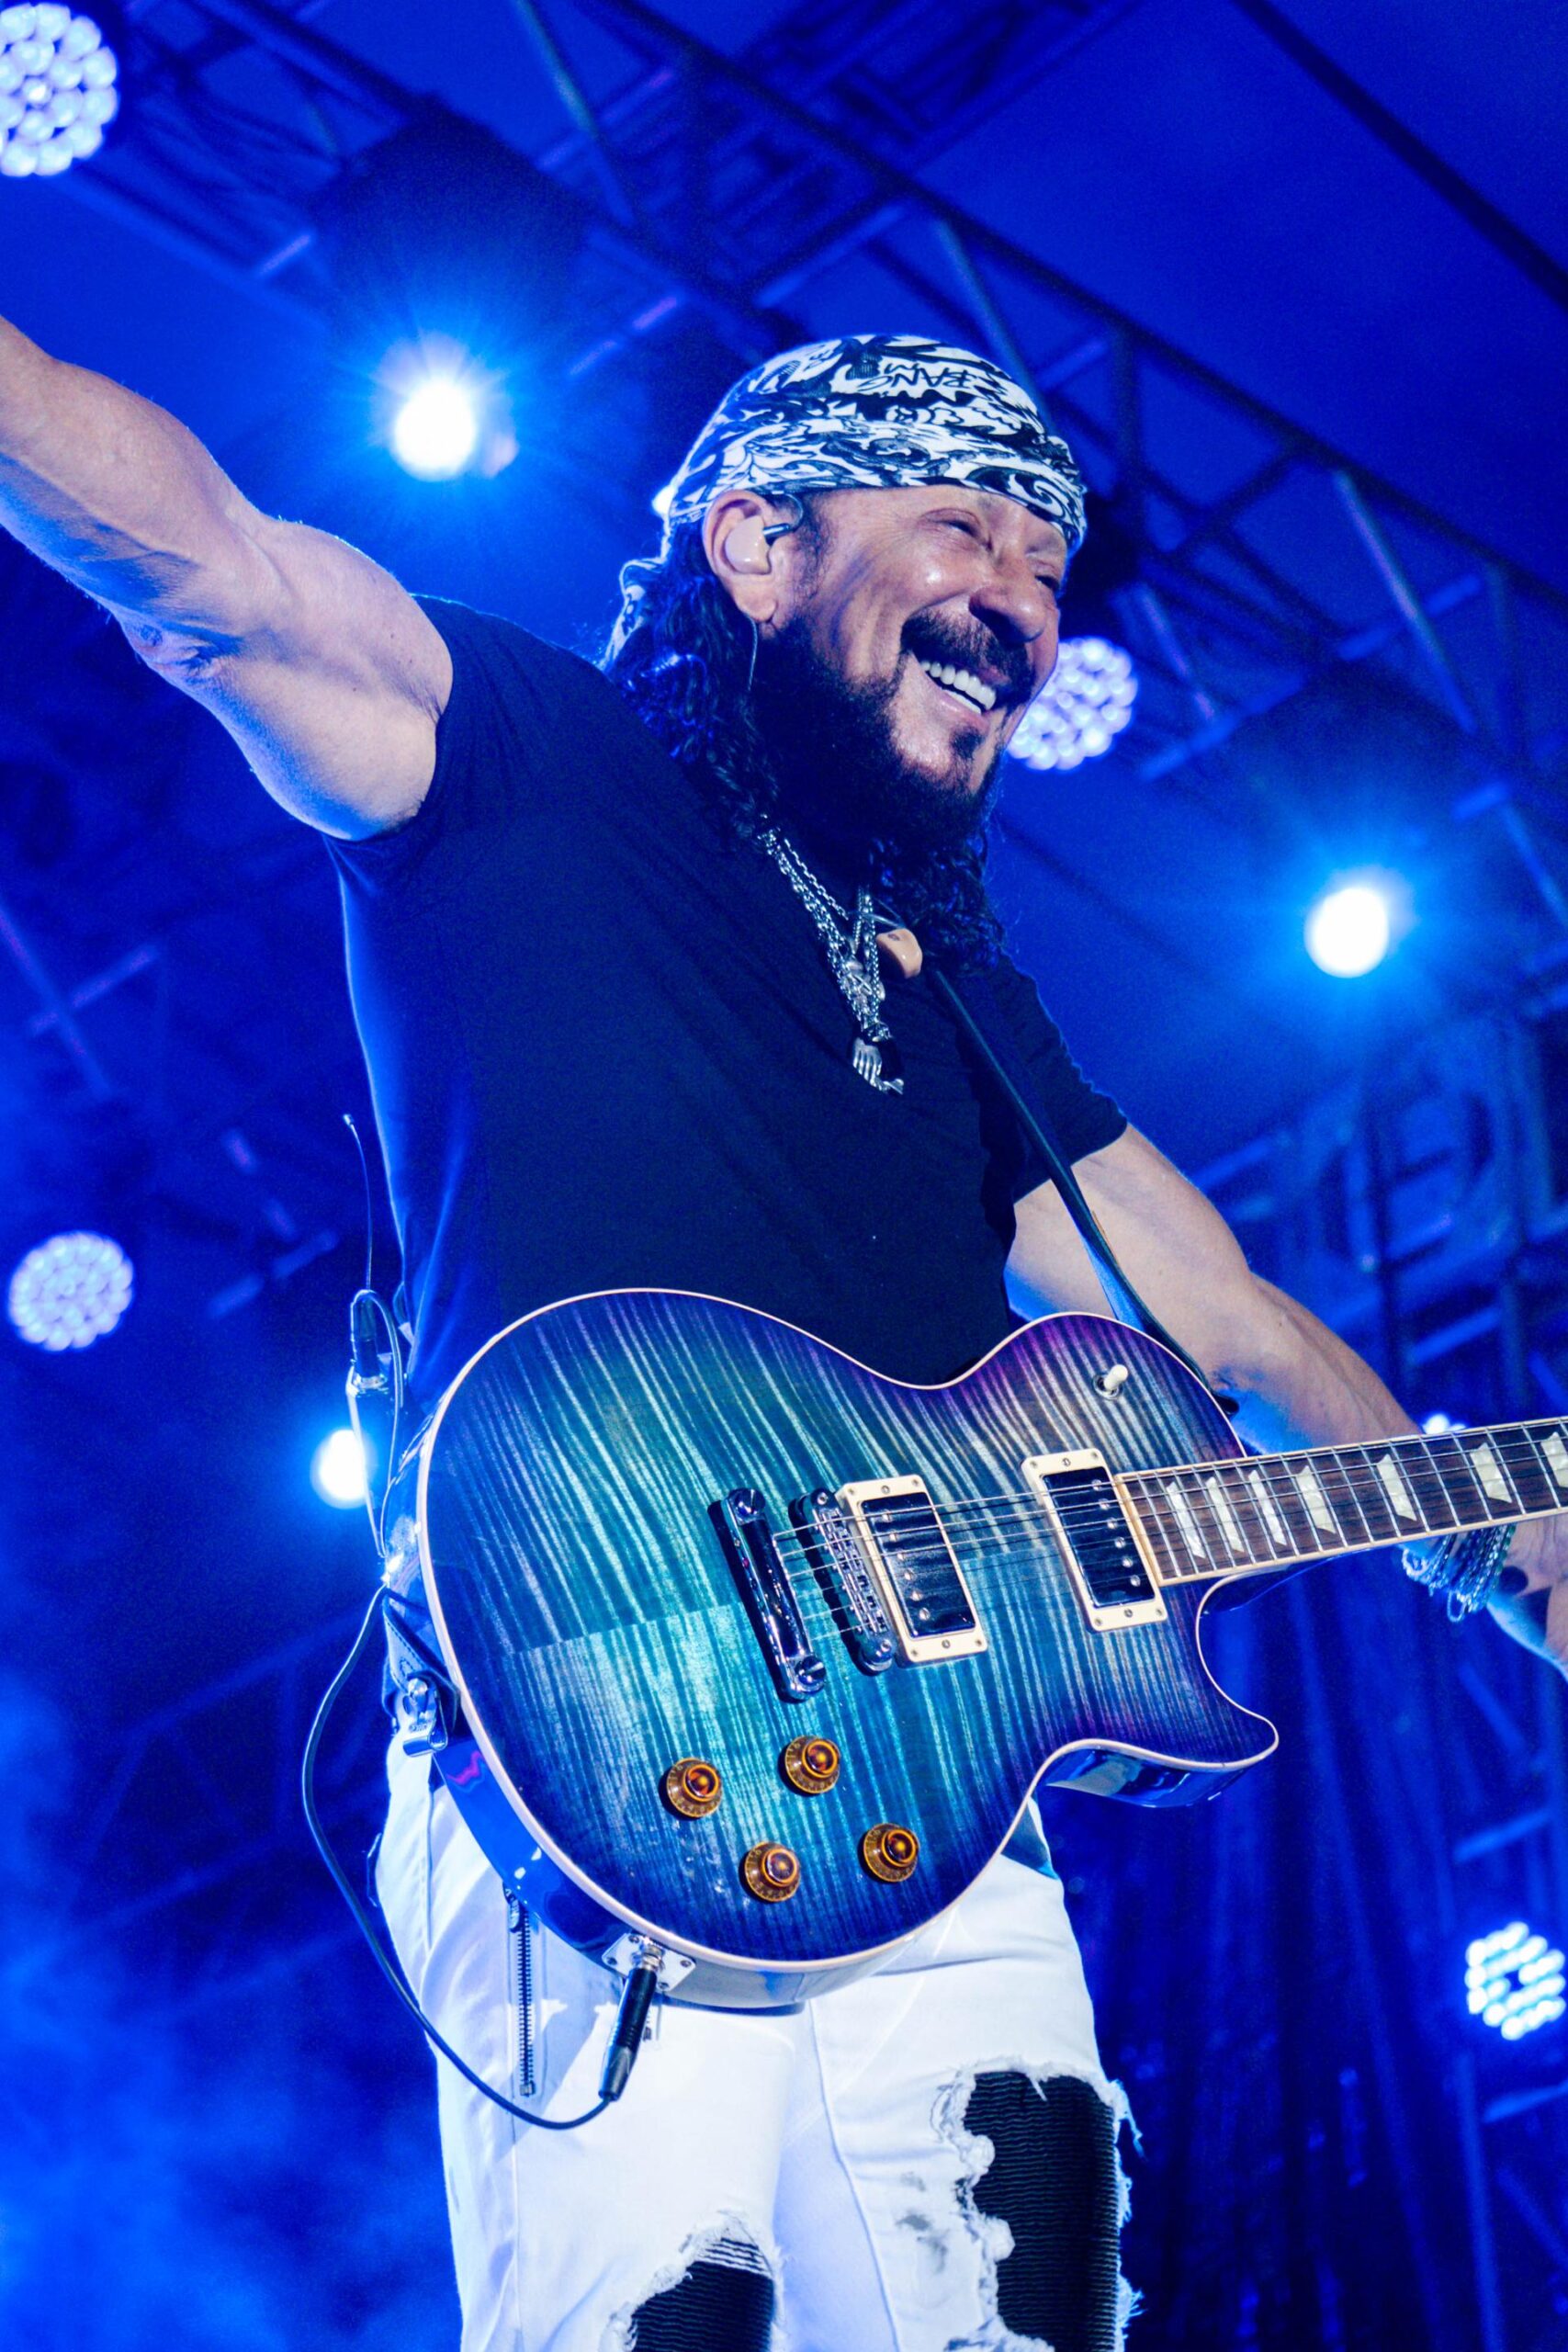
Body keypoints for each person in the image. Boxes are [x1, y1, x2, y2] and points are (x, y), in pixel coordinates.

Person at [3, 321, 1564, 2352]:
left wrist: (1504, 1539)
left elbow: (1230, 1317)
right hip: (594, 1736)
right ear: (758, 546)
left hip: (945, 1821)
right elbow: (216, 569)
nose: (1021, 600)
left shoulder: (958, 992)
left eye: (1047, 566)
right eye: (964, 530)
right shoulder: (522, 755)